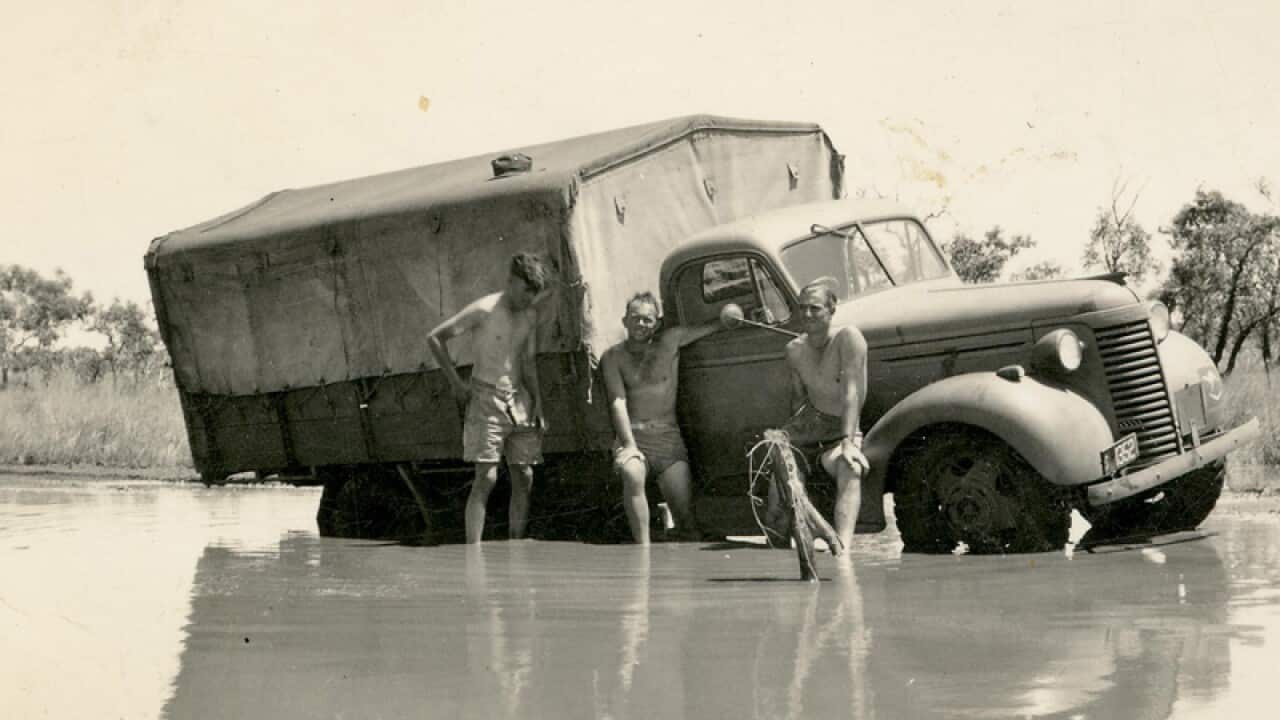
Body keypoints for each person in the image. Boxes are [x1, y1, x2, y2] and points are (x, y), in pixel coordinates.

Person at [427, 252, 552, 544]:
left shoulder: (530, 315)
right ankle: (474, 553)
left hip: (520, 400)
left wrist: (539, 403)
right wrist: (456, 383)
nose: (529, 299)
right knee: (487, 477)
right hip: (486, 397)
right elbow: (435, 338)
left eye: (534, 294)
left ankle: (516, 545)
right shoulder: (484, 309)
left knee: (524, 475)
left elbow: (528, 361)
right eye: (525, 291)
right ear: (511, 281)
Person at [600, 292, 726, 543]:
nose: (641, 324)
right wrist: (629, 445)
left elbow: (712, 326)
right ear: (624, 321)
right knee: (632, 474)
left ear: (657, 323)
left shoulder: (671, 341)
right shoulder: (613, 357)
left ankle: (671, 534)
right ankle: (643, 551)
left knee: (687, 525)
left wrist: (732, 319)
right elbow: (618, 401)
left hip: (668, 440)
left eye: (647, 319)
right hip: (634, 436)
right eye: (635, 318)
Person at [782, 278, 880, 552]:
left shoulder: (848, 338)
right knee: (782, 474)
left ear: (832, 309)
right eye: (802, 308)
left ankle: (843, 549)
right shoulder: (793, 350)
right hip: (809, 432)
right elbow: (798, 401)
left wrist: (848, 442)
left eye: (815, 308)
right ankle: (795, 542)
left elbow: (852, 392)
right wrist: (787, 439)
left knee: (850, 467)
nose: (807, 314)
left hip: (841, 433)